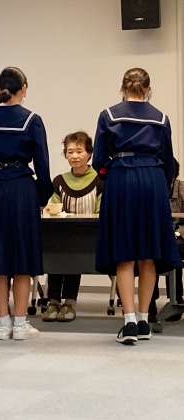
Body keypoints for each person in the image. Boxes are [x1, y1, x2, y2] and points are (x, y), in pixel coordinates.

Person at [92, 68, 181, 345]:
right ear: (148, 88)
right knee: (149, 254)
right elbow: (169, 161)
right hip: (153, 179)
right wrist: (159, 182)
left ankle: (129, 322)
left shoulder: (108, 115)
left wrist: (112, 173)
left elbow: (98, 160)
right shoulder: (161, 118)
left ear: (123, 87)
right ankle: (144, 320)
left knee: (125, 253)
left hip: (122, 178)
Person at [0, 67, 53, 340]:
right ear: (24, 88)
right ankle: (20, 324)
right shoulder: (32, 120)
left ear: (0, 88)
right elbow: (43, 165)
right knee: (22, 257)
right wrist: (41, 197)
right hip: (21, 189)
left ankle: (2, 323)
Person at [42, 131, 102, 322]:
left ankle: (69, 302)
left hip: (90, 236)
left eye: (79, 151)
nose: (74, 156)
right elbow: (53, 206)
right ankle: (52, 301)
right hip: (61, 233)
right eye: (70, 152)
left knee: (73, 254)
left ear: (89, 153)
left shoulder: (99, 181)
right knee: (55, 252)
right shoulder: (59, 181)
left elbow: (101, 211)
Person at [149, 158, 184, 322]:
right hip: (157, 237)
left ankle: (176, 300)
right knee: (150, 253)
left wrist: (177, 233)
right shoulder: (150, 190)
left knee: (173, 250)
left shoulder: (182, 189)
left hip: (179, 236)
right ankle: (150, 302)